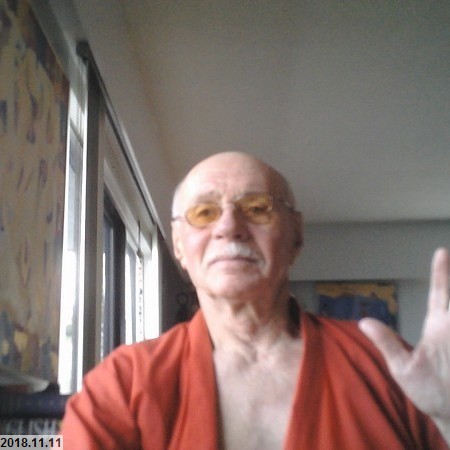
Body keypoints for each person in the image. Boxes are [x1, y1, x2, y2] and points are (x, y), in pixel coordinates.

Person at [61, 151, 450, 449]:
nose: (230, 227)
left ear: (296, 235)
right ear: (179, 246)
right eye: (205, 212)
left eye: (257, 208)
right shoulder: (122, 386)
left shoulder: (386, 367)